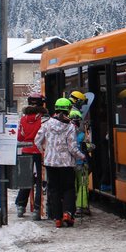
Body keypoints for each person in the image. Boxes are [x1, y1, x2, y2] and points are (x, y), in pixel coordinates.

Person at [35, 98, 85, 228]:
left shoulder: (46, 124)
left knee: (54, 189)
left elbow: (37, 140)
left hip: (51, 163)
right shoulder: (70, 127)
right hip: (67, 164)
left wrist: (44, 152)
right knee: (68, 188)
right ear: (68, 109)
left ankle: (57, 218)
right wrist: (82, 156)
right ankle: (68, 213)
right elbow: (73, 148)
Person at [15, 93, 46, 219]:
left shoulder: (23, 118)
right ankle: (37, 209)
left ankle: (20, 206)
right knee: (40, 181)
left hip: (25, 151)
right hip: (40, 152)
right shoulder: (44, 119)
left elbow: (20, 137)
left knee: (26, 179)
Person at [69, 108, 93, 217]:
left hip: (70, 165)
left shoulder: (66, 134)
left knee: (72, 185)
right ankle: (82, 207)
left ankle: (71, 207)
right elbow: (89, 147)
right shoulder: (82, 135)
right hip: (82, 164)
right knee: (83, 185)